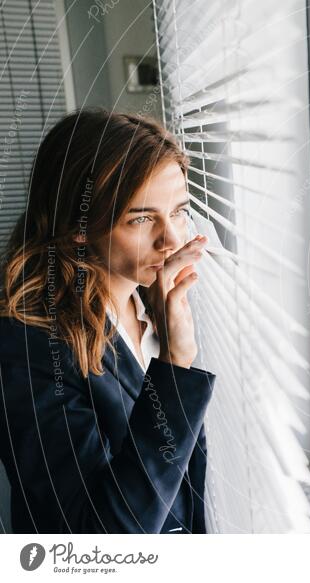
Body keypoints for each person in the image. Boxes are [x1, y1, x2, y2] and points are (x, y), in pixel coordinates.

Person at [0, 108, 214, 533]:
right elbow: (100, 537)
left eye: (178, 211)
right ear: (79, 227)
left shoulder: (151, 303)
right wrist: (174, 366)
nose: (172, 239)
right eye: (141, 218)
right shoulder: (31, 347)